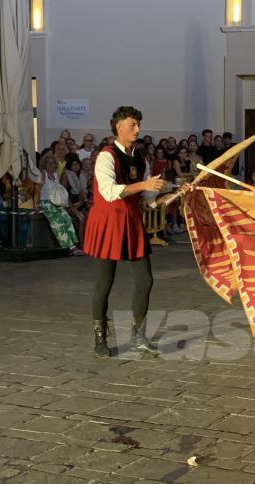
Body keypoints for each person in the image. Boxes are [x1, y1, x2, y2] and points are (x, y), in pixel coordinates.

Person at [84, 106, 166, 357]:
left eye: (139, 124)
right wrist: (144, 185)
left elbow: (146, 196)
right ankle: (100, 338)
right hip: (108, 221)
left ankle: (138, 337)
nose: (138, 129)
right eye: (133, 124)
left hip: (131, 221)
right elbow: (109, 192)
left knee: (145, 280)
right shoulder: (106, 156)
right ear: (118, 126)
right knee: (104, 283)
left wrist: (166, 194)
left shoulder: (140, 157)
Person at [35, 154, 84, 255]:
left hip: (56, 202)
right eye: (49, 163)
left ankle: (73, 243)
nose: (52, 165)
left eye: (53, 163)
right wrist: (36, 205)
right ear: (45, 164)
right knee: (58, 223)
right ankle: (70, 247)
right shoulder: (42, 174)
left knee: (67, 218)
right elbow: (37, 191)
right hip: (46, 202)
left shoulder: (56, 175)